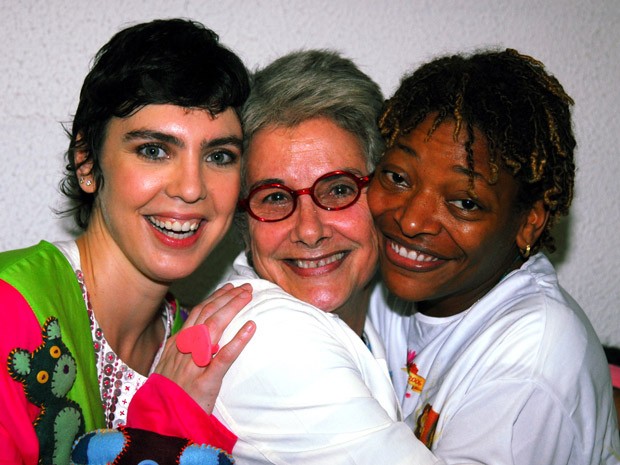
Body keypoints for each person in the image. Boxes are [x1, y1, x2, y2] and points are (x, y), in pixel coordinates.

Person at [127, 49, 442, 464]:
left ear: (384, 193)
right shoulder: (276, 340)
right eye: (275, 198)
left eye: (339, 189)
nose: (309, 231)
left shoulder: (380, 314)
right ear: (245, 217)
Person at [0, 18, 256, 465]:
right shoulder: (11, 308)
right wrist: (168, 424)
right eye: (154, 150)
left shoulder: (200, 348)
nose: (192, 188)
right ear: (86, 162)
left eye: (219, 156)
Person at [367, 48, 620, 464]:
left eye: (465, 203)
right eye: (397, 177)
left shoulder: (530, 365)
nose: (412, 221)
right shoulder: (390, 285)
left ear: (529, 223)